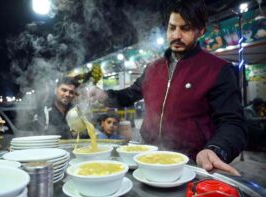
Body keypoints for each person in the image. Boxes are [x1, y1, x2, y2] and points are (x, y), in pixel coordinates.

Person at [89, 0, 247, 175]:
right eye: (172, 28)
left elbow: (233, 123)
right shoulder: (152, 68)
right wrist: (104, 95)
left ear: (200, 30)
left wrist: (215, 149)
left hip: (191, 164)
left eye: (185, 28)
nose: (176, 35)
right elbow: (129, 94)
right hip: (147, 156)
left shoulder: (217, 69)